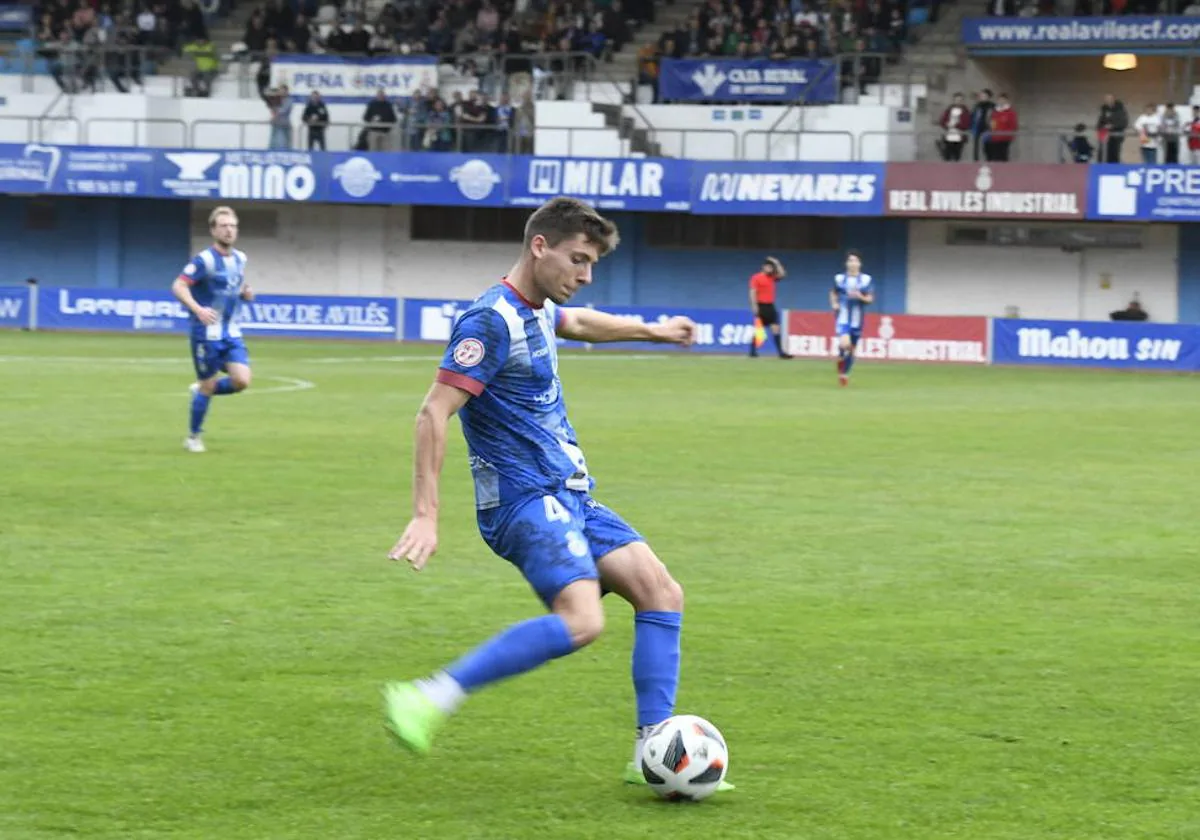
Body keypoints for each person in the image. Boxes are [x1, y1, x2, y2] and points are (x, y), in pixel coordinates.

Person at [382, 197, 733, 793]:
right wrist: (425, 514)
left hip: (570, 495)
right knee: (582, 620)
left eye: (592, 263)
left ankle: (652, 748)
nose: (585, 274)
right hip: (523, 501)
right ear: (539, 246)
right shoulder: (490, 321)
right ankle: (425, 696)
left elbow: (580, 323)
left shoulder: (539, 309)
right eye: (578, 259)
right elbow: (432, 412)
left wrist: (653, 330)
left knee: (661, 592)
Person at [171, 206, 253, 453]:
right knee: (208, 386)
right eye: (224, 226)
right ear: (213, 230)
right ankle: (193, 437)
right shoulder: (204, 261)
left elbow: (235, 286)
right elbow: (178, 285)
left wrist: (246, 294)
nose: (229, 230)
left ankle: (203, 390)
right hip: (206, 334)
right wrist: (198, 309)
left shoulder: (240, 258)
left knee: (242, 381)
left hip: (231, 332)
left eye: (233, 226)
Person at [829, 250, 874, 387]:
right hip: (843, 315)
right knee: (845, 343)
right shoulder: (839, 278)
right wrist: (834, 303)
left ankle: (844, 374)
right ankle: (842, 353)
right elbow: (833, 292)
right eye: (850, 261)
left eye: (855, 261)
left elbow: (870, 299)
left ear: (860, 263)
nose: (853, 263)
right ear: (846, 263)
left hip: (857, 318)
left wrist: (860, 296)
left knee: (852, 350)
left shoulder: (866, 279)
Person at [748, 256, 792, 359]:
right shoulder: (756, 277)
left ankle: (781, 353)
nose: (770, 269)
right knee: (759, 330)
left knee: (776, 329)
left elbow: (783, 274)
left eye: (771, 268)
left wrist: (776, 262)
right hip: (761, 305)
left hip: (770, 306)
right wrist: (754, 306)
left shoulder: (772, 277)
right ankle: (752, 351)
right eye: (768, 267)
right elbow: (752, 292)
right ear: (763, 267)